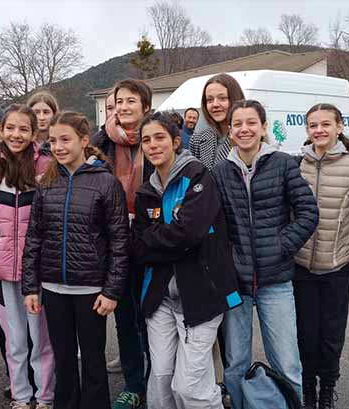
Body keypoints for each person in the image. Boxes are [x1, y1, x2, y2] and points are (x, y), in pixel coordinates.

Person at [212, 100, 319, 409]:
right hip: (237, 285)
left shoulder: (284, 163)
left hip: (276, 281)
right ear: (230, 131)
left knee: (287, 361)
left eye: (251, 122)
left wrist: (282, 246)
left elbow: (308, 213)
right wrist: (228, 258)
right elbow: (215, 226)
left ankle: (292, 404)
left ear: (262, 127)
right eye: (238, 124)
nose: (244, 129)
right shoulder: (220, 171)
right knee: (235, 361)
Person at [132, 111, 242, 409]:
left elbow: (191, 233)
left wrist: (159, 238)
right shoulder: (146, 192)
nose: (153, 145)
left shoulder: (197, 177)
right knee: (161, 380)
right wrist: (172, 239)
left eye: (159, 138)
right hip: (160, 298)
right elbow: (139, 247)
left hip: (201, 294)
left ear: (175, 141)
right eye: (146, 140)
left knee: (190, 386)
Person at [23, 111, 128, 409]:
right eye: (53, 140)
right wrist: (31, 287)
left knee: (93, 361)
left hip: (91, 291)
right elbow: (35, 237)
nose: (58, 146)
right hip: (54, 289)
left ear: (84, 141)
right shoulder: (46, 183)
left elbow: (120, 241)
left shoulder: (106, 183)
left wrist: (111, 291)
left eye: (65, 139)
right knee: (63, 358)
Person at [0, 104, 55, 409]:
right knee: (15, 340)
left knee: (41, 340)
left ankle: (45, 397)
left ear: (34, 133)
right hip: (4, 272)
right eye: (10, 128)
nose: (15, 135)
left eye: (23, 129)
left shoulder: (47, 165)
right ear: (2, 130)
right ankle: (21, 396)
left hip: (39, 270)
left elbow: (53, 217)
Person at [293, 104, 349, 409]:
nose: (319, 130)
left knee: (331, 334)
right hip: (300, 266)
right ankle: (307, 390)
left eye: (326, 124)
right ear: (307, 130)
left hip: (337, 266)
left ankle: (327, 390)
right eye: (313, 125)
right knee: (305, 332)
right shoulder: (296, 165)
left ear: (339, 127)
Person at [91, 78, 154, 409]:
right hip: (113, 241)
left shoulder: (156, 135)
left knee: (154, 315)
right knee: (125, 315)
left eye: (132, 101)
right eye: (119, 101)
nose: (124, 107)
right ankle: (133, 382)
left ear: (145, 106)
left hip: (152, 241)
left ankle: (158, 379)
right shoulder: (100, 142)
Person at [189, 74, 244, 170]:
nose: (215, 104)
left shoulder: (248, 136)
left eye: (222, 98)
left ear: (235, 99)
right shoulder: (198, 140)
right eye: (209, 100)